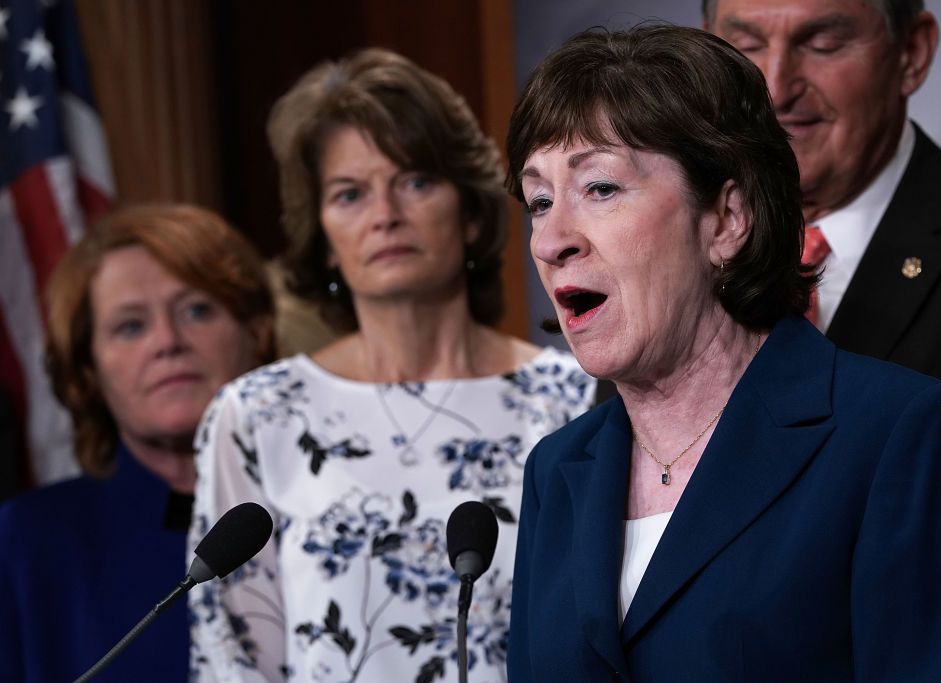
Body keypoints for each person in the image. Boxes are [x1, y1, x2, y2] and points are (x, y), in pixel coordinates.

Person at [504, 24, 941, 681]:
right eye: (539, 200)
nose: (551, 240)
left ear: (727, 218)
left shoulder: (897, 435)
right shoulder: (559, 469)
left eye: (599, 188)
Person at [188, 48, 594, 682]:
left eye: (416, 181)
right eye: (350, 194)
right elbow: (229, 656)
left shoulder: (575, 399)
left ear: (468, 210)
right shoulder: (257, 415)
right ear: (321, 236)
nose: (385, 215)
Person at [704, 0, 941, 662]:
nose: (775, 85)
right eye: (745, 43)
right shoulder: (665, 259)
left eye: (822, 43)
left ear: (912, 53)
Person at [0, 204, 276, 683]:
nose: (167, 341)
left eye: (197, 310)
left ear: (256, 334)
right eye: (131, 325)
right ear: (88, 370)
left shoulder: (328, 511)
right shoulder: (26, 542)